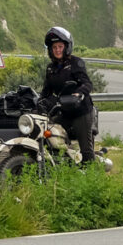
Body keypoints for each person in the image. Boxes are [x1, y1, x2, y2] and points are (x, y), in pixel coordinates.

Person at [39, 26, 95, 163]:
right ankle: (60, 163)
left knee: (86, 149)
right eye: (54, 47)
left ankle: (92, 172)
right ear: (50, 50)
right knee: (48, 131)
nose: (57, 50)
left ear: (66, 47)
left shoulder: (76, 63)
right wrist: (38, 102)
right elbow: (46, 91)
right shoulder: (50, 68)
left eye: (60, 46)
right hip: (64, 112)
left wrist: (79, 93)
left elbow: (87, 83)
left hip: (80, 112)